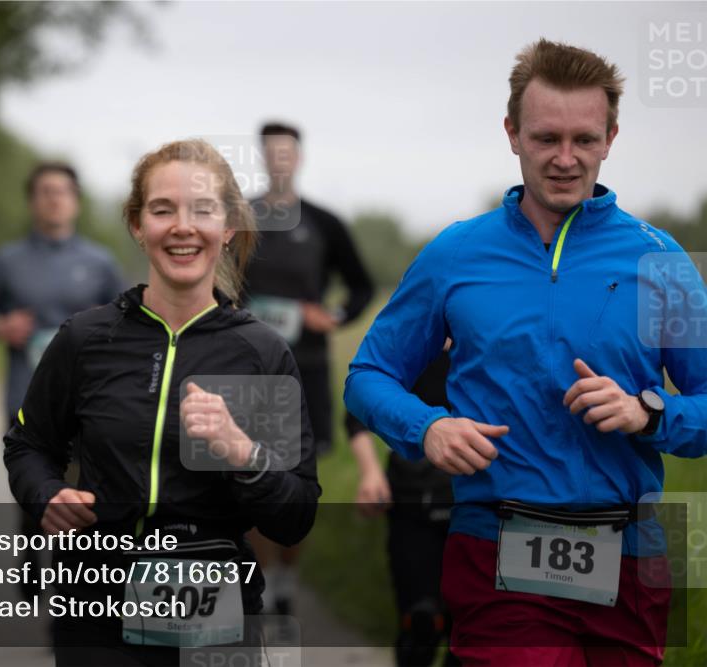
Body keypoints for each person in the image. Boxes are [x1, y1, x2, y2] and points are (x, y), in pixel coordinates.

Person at [345, 39, 706, 666]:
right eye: (545, 139)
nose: (565, 159)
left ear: (611, 137)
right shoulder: (457, 254)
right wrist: (426, 427)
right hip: (499, 541)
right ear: (511, 133)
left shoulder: (662, 260)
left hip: (634, 548)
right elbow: (368, 375)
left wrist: (650, 415)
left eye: (584, 140)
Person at [4, 139, 320, 666]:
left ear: (228, 227)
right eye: (162, 209)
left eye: (202, 210)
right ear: (136, 223)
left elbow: (295, 516)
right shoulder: (86, 339)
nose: (182, 226)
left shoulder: (261, 352)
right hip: (93, 603)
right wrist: (46, 493)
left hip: (215, 608)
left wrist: (243, 453)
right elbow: (28, 445)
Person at [242, 122, 374, 615]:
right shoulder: (240, 218)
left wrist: (334, 316)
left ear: (298, 159)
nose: (279, 160)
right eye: (270, 152)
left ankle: (286, 577)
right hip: (247, 374)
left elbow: (360, 285)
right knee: (248, 474)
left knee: (297, 481)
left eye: (287, 152)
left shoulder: (323, 223)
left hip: (307, 370)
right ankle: (259, 576)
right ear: (261, 157)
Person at [0, 161, 124, 427]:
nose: (55, 198)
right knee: (30, 469)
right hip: (25, 404)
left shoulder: (101, 262)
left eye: (63, 191)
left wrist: (106, 323)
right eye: (46, 191)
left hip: (86, 405)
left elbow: (132, 321)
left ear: (76, 202)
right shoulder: (7, 261)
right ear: (31, 202)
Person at [350, 347, 457, 667]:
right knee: (419, 625)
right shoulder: (413, 338)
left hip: (482, 503)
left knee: (473, 635)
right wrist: (370, 473)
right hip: (414, 496)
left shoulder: (498, 337)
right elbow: (356, 411)